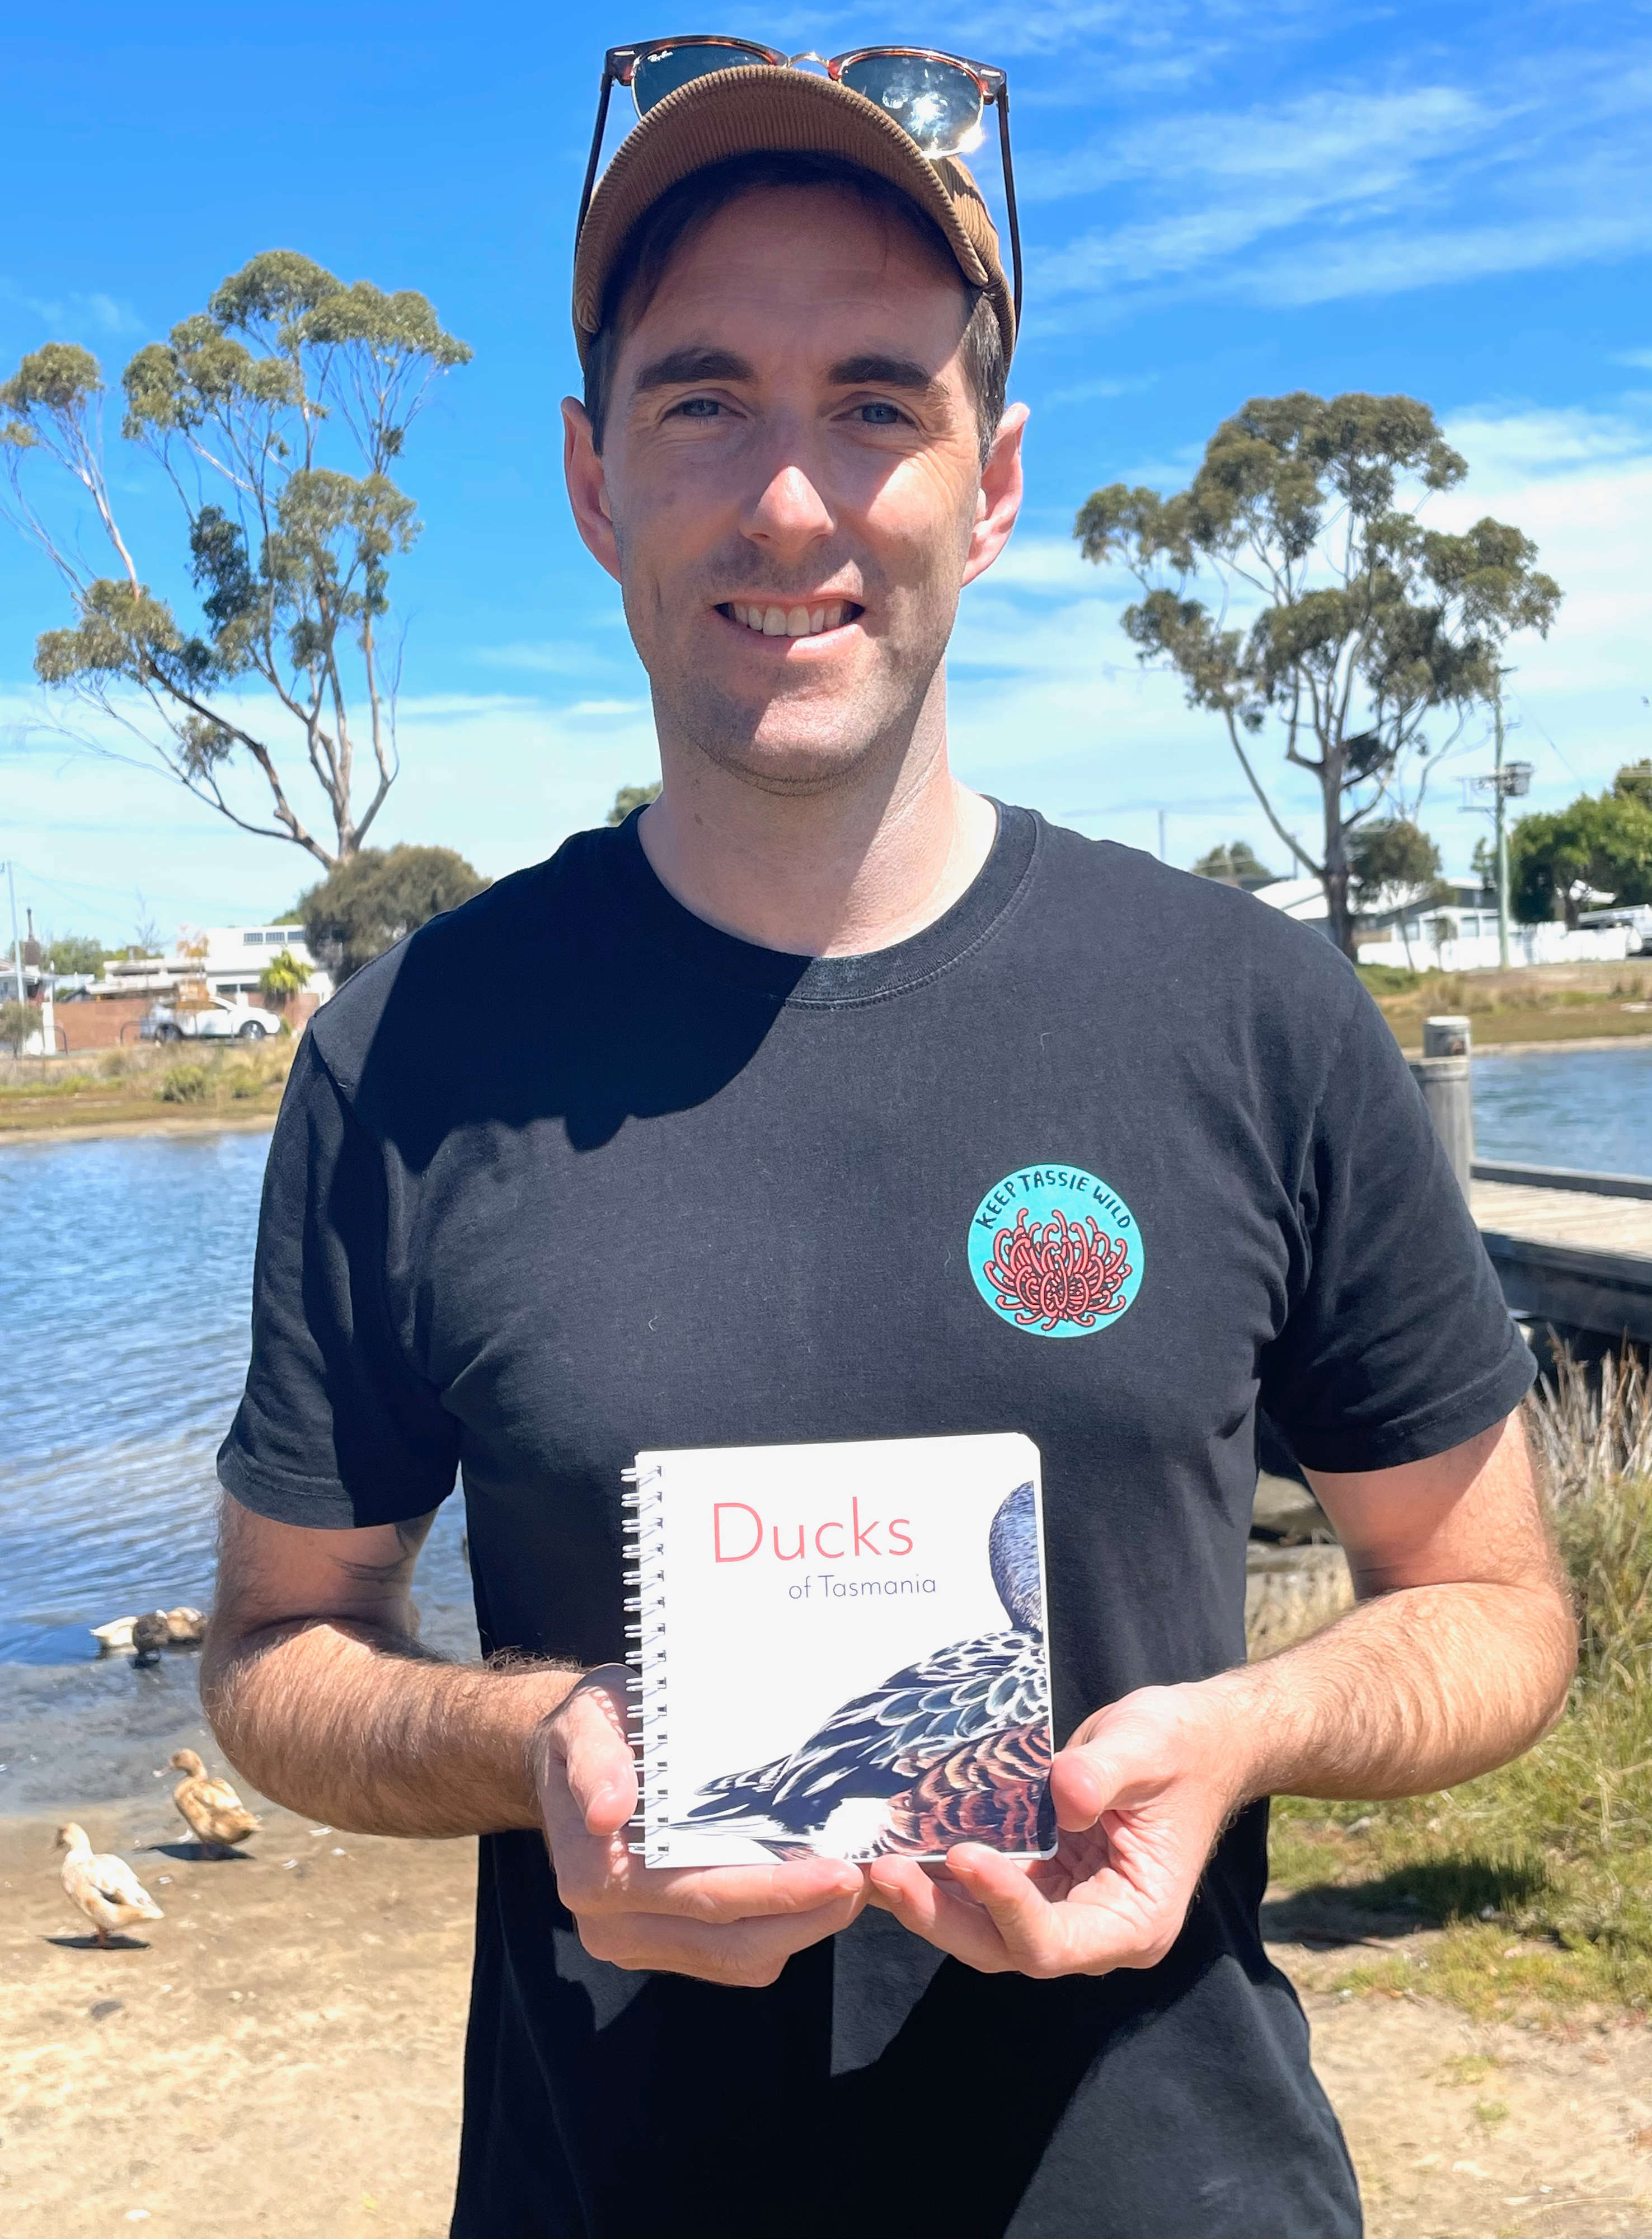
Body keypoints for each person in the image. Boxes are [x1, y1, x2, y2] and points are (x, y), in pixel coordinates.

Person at [204, 50, 1575, 2239]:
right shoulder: (407, 1052)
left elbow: (1494, 1600)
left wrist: (1238, 1730)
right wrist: (541, 1743)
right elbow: (276, 1650)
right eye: (701, 401)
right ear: (587, 478)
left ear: (994, 479)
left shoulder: (1246, 1008)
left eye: (874, 401)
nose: (789, 501)